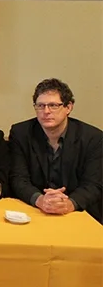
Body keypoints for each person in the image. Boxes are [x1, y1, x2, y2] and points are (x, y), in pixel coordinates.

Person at [10, 78, 102, 223]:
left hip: (78, 212)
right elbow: (18, 178)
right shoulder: (21, 133)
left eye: (53, 105)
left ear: (68, 107)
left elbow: (93, 184)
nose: (46, 111)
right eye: (40, 106)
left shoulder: (93, 138)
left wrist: (69, 204)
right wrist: (40, 200)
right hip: (34, 211)